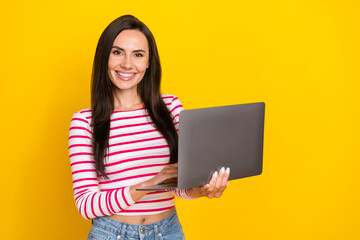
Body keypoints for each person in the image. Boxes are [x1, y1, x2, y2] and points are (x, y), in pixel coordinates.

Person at [68, 15, 230, 240]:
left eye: (138, 54)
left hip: (168, 231)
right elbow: (87, 205)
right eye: (117, 52)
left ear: (148, 62)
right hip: (111, 234)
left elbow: (179, 185)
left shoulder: (171, 108)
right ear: (104, 57)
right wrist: (149, 183)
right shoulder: (85, 122)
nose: (127, 63)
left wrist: (200, 190)